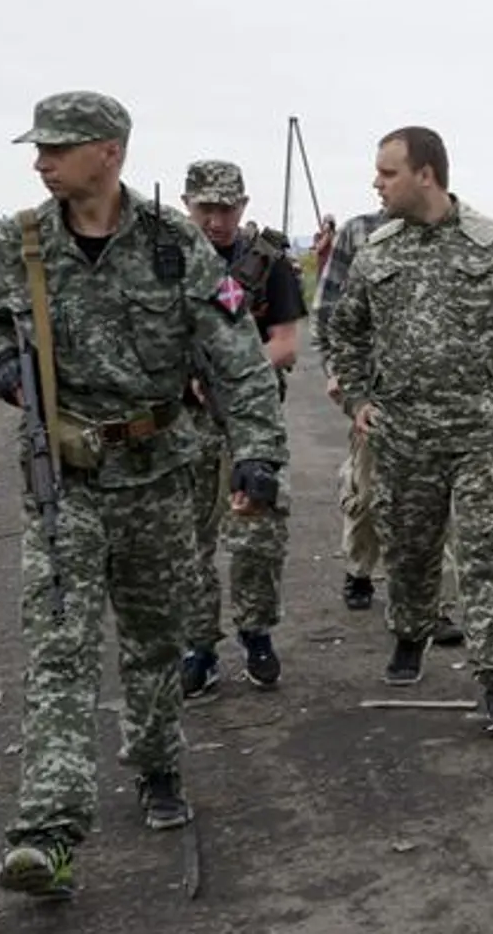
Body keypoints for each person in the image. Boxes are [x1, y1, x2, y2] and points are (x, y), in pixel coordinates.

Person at [0, 91, 287, 900]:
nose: (41, 161)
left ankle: (157, 762)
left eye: (57, 147)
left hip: (158, 473)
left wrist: (258, 454)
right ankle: (47, 832)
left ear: (108, 151)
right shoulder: (17, 241)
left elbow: (235, 350)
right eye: (38, 149)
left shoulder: (175, 243)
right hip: (63, 477)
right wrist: (3, 368)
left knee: (153, 638)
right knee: (60, 647)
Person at [325, 126, 493, 734]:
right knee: (409, 549)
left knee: (487, 553)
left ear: (426, 175)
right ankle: (410, 633)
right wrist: (356, 396)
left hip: (482, 431)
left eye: (387, 173)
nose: (376, 183)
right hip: (403, 432)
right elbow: (345, 331)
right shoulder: (376, 252)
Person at [176, 160, 304, 699]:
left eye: (226, 209)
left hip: (252, 417)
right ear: (188, 205)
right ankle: (198, 647)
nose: (216, 220)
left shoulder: (268, 263)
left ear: (243, 208)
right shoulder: (167, 263)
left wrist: (232, 375)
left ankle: (257, 634)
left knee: (258, 531)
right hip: (185, 421)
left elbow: (286, 343)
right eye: (206, 208)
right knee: (189, 539)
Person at [311, 209, 465, 645]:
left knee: (432, 502)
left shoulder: (456, 236)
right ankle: (359, 569)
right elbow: (327, 311)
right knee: (369, 491)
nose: (382, 184)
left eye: (391, 174)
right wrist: (337, 372)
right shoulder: (359, 233)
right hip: (373, 392)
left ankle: (429, 605)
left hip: (435, 395)